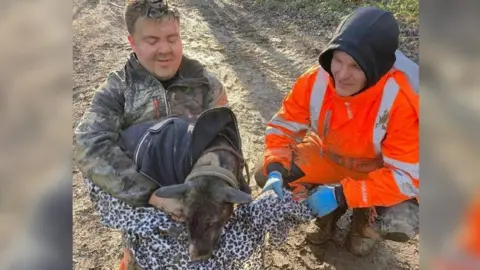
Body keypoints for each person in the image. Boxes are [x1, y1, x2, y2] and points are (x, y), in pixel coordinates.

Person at [73, 0, 228, 269]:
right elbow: (88, 144)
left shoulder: (206, 84)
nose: (165, 49)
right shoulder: (118, 90)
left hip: (197, 207)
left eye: (172, 38)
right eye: (152, 40)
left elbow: (226, 141)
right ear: (132, 42)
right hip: (146, 210)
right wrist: (152, 195)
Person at [254, 6, 419, 257]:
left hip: (375, 173)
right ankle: (327, 213)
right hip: (326, 156)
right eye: (338, 60)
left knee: (403, 218)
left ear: (377, 67)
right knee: (265, 172)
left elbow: (406, 177)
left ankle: (364, 220)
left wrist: (344, 194)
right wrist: (276, 168)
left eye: (354, 66)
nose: (341, 74)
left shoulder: (400, 100)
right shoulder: (315, 80)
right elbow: (282, 127)